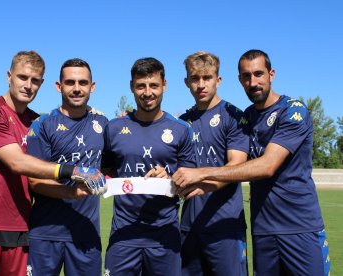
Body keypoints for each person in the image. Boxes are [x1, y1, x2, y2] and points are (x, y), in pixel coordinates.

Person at [173, 49, 331, 275]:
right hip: (262, 228)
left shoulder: (292, 110)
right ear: (240, 80)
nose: (253, 82)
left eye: (258, 74)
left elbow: (266, 166)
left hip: (299, 225)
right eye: (247, 76)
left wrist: (200, 175)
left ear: (271, 74)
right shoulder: (247, 116)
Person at [0, 51, 105, 276]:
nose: (28, 85)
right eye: (23, 77)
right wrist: (74, 171)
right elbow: (17, 162)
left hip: (20, 230)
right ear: (9, 76)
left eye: (35, 80)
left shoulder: (36, 122)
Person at [102, 57, 197, 276]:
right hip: (123, 234)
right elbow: (108, 170)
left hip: (165, 235)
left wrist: (170, 176)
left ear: (164, 85)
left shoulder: (181, 129)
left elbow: (190, 181)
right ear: (131, 87)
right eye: (140, 86)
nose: (147, 92)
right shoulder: (114, 128)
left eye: (154, 85)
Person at [25, 58, 108, 276]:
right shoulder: (42, 125)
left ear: (92, 86)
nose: (77, 89)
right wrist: (73, 192)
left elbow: (113, 168)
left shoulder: (104, 124)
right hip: (45, 234)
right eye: (70, 82)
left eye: (83, 83)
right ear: (58, 86)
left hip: (86, 235)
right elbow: (35, 181)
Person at [178, 51, 249, 275]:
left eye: (207, 78)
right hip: (189, 226)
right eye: (195, 78)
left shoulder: (233, 116)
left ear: (218, 80)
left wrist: (201, 179)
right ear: (186, 82)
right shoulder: (181, 123)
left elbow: (236, 167)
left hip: (225, 225)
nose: (201, 85)